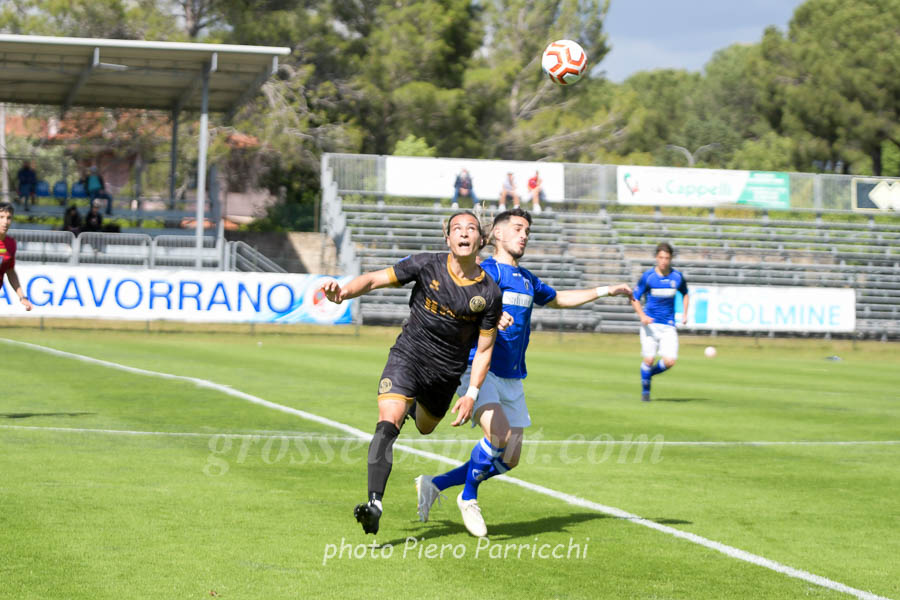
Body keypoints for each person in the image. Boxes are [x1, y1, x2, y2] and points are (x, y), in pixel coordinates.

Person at [415, 208, 632, 537]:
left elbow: (559, 299)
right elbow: (462, 299)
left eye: (527, 231)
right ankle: (468, 497)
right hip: (479, 367)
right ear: (498, 234)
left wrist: (605, 290)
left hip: (512, 375)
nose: (524, 235)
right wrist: (489, 314)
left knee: (510, 458)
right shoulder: (485, 272)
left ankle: (435, 484)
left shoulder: (527, 279)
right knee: (498, 435)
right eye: (518, 228)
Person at [319, 210, 503, 536]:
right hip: (408, 357)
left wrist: (472, 394)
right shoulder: (426, 264)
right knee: (387, 422)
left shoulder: (488, 293)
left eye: (470, 228)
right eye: (456, 228)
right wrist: (343, 293)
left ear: (481, 239)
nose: (463, 233)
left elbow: (485, 349)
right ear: (447, 238)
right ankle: (374, 504)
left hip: (445, 374)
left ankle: (412, 406)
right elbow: (374, 279)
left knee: (425, 427)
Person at [630, 242, 689, 402]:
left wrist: (685, 314)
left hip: (668, 325)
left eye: (667, 258)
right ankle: (645, 392)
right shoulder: (648, 277)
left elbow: (685, 293)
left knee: (670, 362)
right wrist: (642, 315)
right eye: (661, 257)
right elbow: (634, 297)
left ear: (671, 259)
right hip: (650, 325)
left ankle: (647, 375)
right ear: (656, 258)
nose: (664, 261)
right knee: (649, 360)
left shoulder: (677, 277)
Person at [0, 202, 34, 312]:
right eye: (1, 217)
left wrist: (22, 297)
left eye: (8, 218)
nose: (5, 222)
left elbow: (10, 271)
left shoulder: (11, 244)